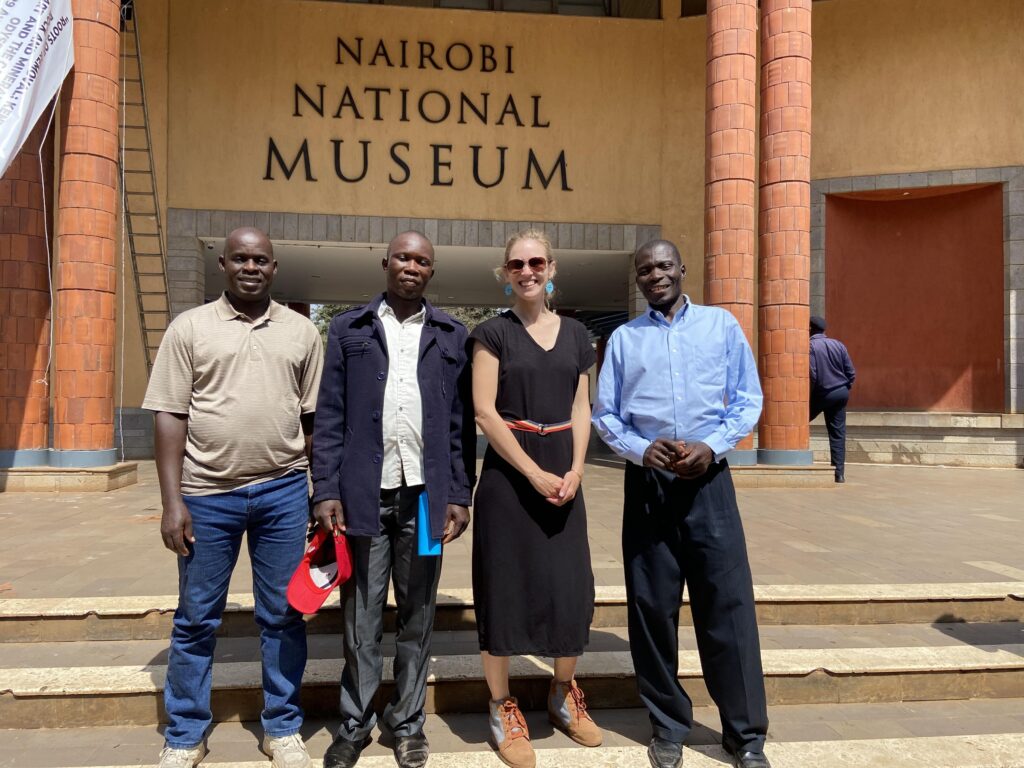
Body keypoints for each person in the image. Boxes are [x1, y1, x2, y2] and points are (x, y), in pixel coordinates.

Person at [143, 227, 324, 768]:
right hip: (206, 495)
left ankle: (283, 727)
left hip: (284, 489)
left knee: (284, 615)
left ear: (274, 266)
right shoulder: (189, 328)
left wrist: (320, 495)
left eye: (261, 259)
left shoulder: (301, 333)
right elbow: (170, 415)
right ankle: (185, 733)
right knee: (197, 617)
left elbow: (313, 422)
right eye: (241, 258)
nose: (251, 266)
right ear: (223, 263)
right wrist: (172, 501)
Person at [592, 240, 770, 768]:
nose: (656, 275)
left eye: (664, 265)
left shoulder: (721, 327)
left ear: (682, 269)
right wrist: (642, 450)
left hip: (708, 484)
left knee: (728, 607)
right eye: (645, 269)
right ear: (639, 280)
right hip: (649, 487)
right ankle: (668, 724)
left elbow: (747, 399)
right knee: (652, 609)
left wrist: (712, 446)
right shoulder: (623, 340)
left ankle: (745, 736)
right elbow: (606, 414)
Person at [311, 231, 475, 768]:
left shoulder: (452, 335)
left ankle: (406, 722)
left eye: (422, 260)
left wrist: (458, 495)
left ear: (432, 271)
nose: (412, 266)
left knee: (419, 611)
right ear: (386, 262)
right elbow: (329, 417)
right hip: (362, 497)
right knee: (360, 614)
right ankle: (355, 722)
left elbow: (458, 427)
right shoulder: (349, 329)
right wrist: (326, 491)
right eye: (403, 257)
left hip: (426, 499)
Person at [470, 229, 602, 768]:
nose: (527, 271)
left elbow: (581, 409)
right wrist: (533, 473)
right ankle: (501, 706)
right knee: (503, 589)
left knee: (570, 588)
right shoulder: (491, 334)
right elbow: (484, 411)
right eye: (516, 264)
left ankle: (562, 692)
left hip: (564, 476)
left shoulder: (576, 335)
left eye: (536, 261)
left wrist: (572, 470)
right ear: (505, 274)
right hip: (509, 478)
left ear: (552, 267)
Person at [809, 315, 856, 483]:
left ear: (810, 329)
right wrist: (844, 388)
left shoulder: (811, 346)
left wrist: (809, 396)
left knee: (798, 421)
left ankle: (795, 456)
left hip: (821, 393)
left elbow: (813, 374)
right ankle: (839, 473)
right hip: (841, 392)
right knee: (838, 433)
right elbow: (851, 372)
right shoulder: (838, 345)